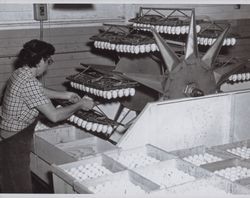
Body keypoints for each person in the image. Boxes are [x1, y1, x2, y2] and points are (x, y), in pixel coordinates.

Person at [0, 39, 95, 193]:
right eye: (48, 60)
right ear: (39, 61)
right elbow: (54, 116)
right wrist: (80, 105)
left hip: (10, 132)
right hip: (14, 140)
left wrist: (66, 95)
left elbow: (38, 91)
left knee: (12, 182)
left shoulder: (21, 73)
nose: (48, 64)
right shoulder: (28, 82)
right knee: (19, 187)